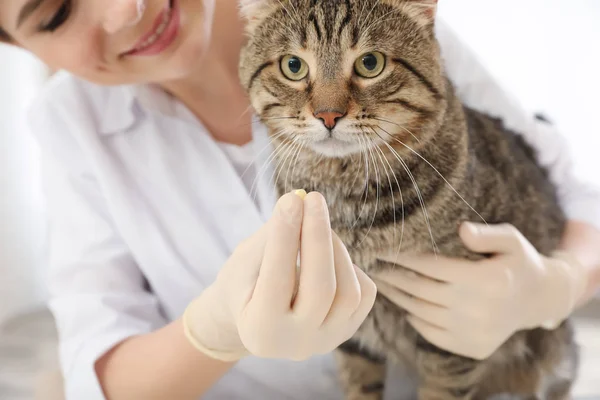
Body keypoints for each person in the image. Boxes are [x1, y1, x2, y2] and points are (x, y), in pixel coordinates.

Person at [1, 0, 599, 399]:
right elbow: (94, 367)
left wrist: (555, 285)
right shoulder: (66, 126)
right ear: (19, 47)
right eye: (55, 12)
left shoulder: (376, 21)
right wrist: (216, 331)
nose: (125, 9)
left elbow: (580, 199)